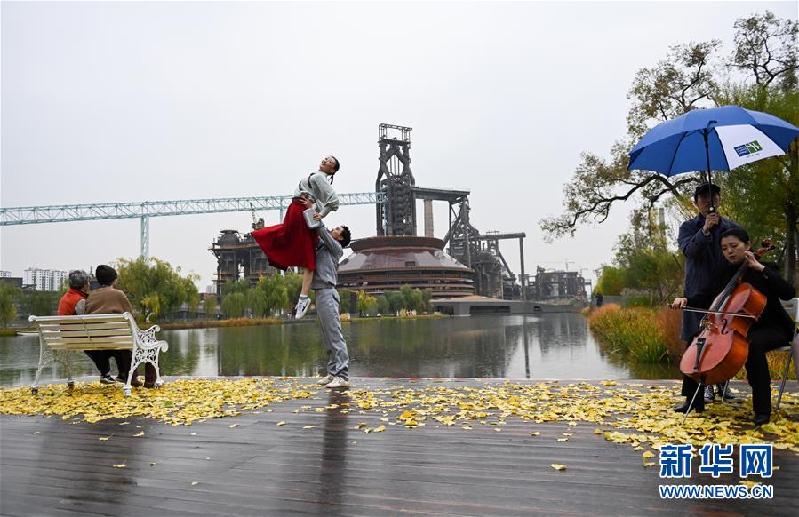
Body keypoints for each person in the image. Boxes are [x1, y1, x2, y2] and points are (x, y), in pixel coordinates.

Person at [672, 228, 795, 425]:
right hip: (740, 327)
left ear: (747, 246)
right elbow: (705, 296)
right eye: (724, 248)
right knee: (696, 337)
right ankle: (692, 399)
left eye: (734, 246)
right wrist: (686, 300)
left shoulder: (765, 269)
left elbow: (788, 292)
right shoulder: (725, 272)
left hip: (773, 327)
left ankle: (762, 409)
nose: (729, 251)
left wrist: (760, 268)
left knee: (753, 345)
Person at [252, 155, 341, 320]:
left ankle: (303, 299)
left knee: (308, 257)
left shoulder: (321, 178)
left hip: (301, 212)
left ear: (332, 170)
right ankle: (303, 297)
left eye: (331, 162)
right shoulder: (316, 176)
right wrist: (315, 208)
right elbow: (321, 201)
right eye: (326, 158)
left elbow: (334, 202)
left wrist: (320, 214)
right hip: (296, 210)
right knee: (289, 238)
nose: (326, 160)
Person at [677, 182, 740, 408]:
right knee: (693, 344)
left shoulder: (730, 227)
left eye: (713, 196)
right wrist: (704, 231)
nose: (708, 200)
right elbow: (689, 251)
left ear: (719, 200)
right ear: (696, 203)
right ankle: (691, 399)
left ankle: (721, 383)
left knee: (722, 343)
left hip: (723, 296)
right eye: (703, 197)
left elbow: (738, 254)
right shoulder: (687, 228)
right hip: (696, 295)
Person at [298, 197, 352, 388]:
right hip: (320, 294)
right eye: (336, 228)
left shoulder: (336, 248)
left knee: (335, 335)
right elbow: (313, 229)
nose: (334, 230)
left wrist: (312, 209)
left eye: (338, 230)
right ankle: (332, 372)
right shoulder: (322, 245)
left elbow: (320, 227)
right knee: (327, 336)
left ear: (341, 238)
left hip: (328, 293)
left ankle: (342, 375)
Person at [85, 265, 157, 388]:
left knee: (121, 344)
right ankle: (150, 381)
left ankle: (128, 376)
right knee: (151, 343)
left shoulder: (91, 296)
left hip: (95, 343)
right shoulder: (118, 294)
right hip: (117, 340)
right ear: (114, 280)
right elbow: (130, 316)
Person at [57, 270, 117, 384]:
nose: (89, 285)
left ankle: (105, 374)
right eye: (88, 283)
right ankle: (106, 374)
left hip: (67, 336)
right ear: (84, 285)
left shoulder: (65, 297)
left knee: (98, 347)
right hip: (78, 338)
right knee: (105, 346)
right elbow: (86, 321)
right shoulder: (79, 300)